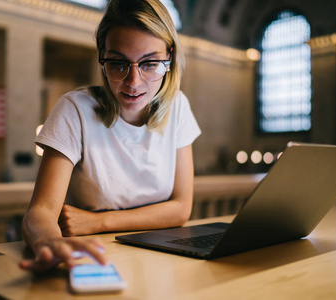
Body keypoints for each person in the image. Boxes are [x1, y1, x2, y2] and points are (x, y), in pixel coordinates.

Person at [19, 0, 201, 272]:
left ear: (170, 58)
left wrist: (96, 222)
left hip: (161, 259)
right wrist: (47, 241)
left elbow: (180, 208)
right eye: (118, 63)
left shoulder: (178, 107)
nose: (134, 81)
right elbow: (41, 211)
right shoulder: (74, 110)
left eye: (150, 63)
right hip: (94, 256)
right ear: (101, 57)